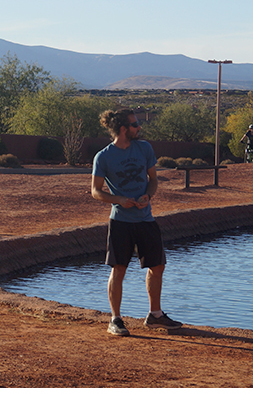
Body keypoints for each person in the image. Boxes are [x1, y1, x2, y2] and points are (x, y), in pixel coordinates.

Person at [91, 108, 183, 336]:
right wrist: (119, 200)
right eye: (135, 124)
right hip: (120, 221)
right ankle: (116, 320)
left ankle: (155, 315)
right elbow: (95, 191)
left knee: (157, 266)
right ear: (123, 129)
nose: (139, 127)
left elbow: (153, 180)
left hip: (146, 218)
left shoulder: (144, 148)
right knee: (118, 269)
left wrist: (148, 196)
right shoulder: (103, 157)